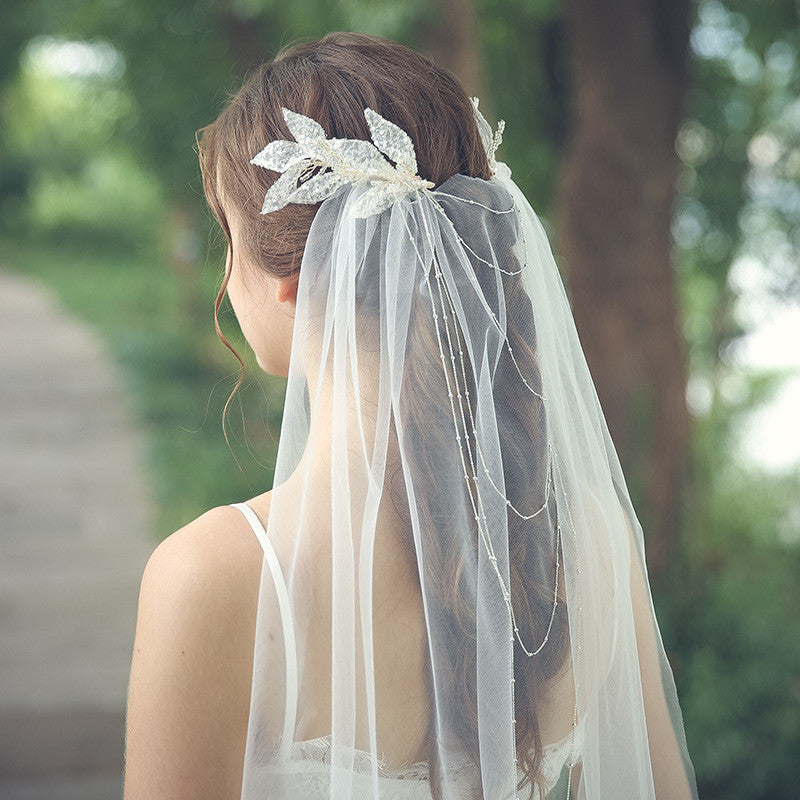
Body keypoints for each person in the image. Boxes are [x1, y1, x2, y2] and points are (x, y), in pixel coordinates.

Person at [122, 31, 700, 800]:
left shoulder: (213, 578)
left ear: (295, 277)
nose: (226, 279)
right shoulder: (589, 544)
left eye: (230, 238)